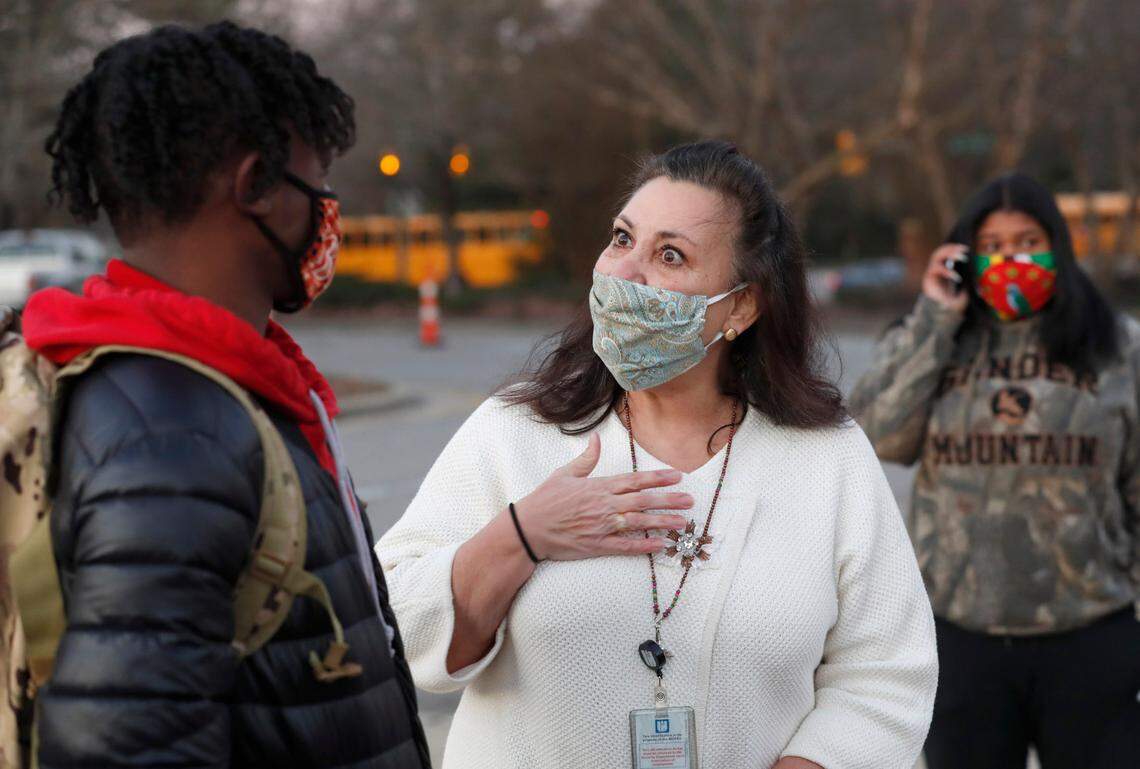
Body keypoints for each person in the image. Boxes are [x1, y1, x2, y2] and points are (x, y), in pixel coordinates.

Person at [377, 141, 937, 769]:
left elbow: (887, 672)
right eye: (622, 239)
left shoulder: (826, 457)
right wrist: (521, 537)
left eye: (670, 255)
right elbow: (396, 629)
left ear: (742, 307)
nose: (625, 273)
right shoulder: (515, 431)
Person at [18, 22, 430, 768]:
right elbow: (130, 745)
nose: (327, 207)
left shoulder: (224, 390)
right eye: (317, 179)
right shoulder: (173, 434)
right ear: (259, 188)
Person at [850, 172, 1140, 769]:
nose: (1012, 258)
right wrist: (935, 317)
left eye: (1027, 241)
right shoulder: (935, 338)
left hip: (1089, 631)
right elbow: (879, 434)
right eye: (995, 246)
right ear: (967, 255)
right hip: (961, 637)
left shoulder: (1116, 345)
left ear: (1056, 246)